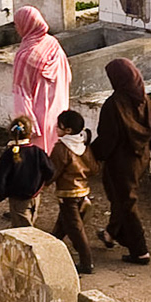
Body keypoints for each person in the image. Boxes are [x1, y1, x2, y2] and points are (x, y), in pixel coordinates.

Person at [91, 58, 151, 265]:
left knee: (126, 202)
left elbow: (108, 137)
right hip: (141, 159)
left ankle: (140, 251)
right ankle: (110, 233)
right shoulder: (144, 99)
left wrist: (91, 153)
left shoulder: (114, 104)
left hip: (120, 162)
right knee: (120, 198)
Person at [11, 5, 72, 153]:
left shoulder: (25, 55)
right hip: (59, 108)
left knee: (37, 157)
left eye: (17, 24)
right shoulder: (53, 44)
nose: (16, 28)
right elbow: (67, 76)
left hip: (37, 114)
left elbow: (21, 93)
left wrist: (27, 125)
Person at [50, 109, 98, 275]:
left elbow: (53, 171)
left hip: (67, 194)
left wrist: (41, 184)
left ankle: (87, 263)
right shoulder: (84, 146)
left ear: (67, 130)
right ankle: (50, 248)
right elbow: (94, 168)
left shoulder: (61, 148)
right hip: (82, 191)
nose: (56, 129)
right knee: (62, 226)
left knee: (75, 229)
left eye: (59, 126)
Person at [0, 114, 55, 226]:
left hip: (17, 198)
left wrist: (0, 194)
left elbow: (0, 177)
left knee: (22, 229)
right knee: (30, 219)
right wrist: (43, 184)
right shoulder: (38, 152)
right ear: (30, 133)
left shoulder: (8, 155)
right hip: (35, 195)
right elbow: (50, 170)